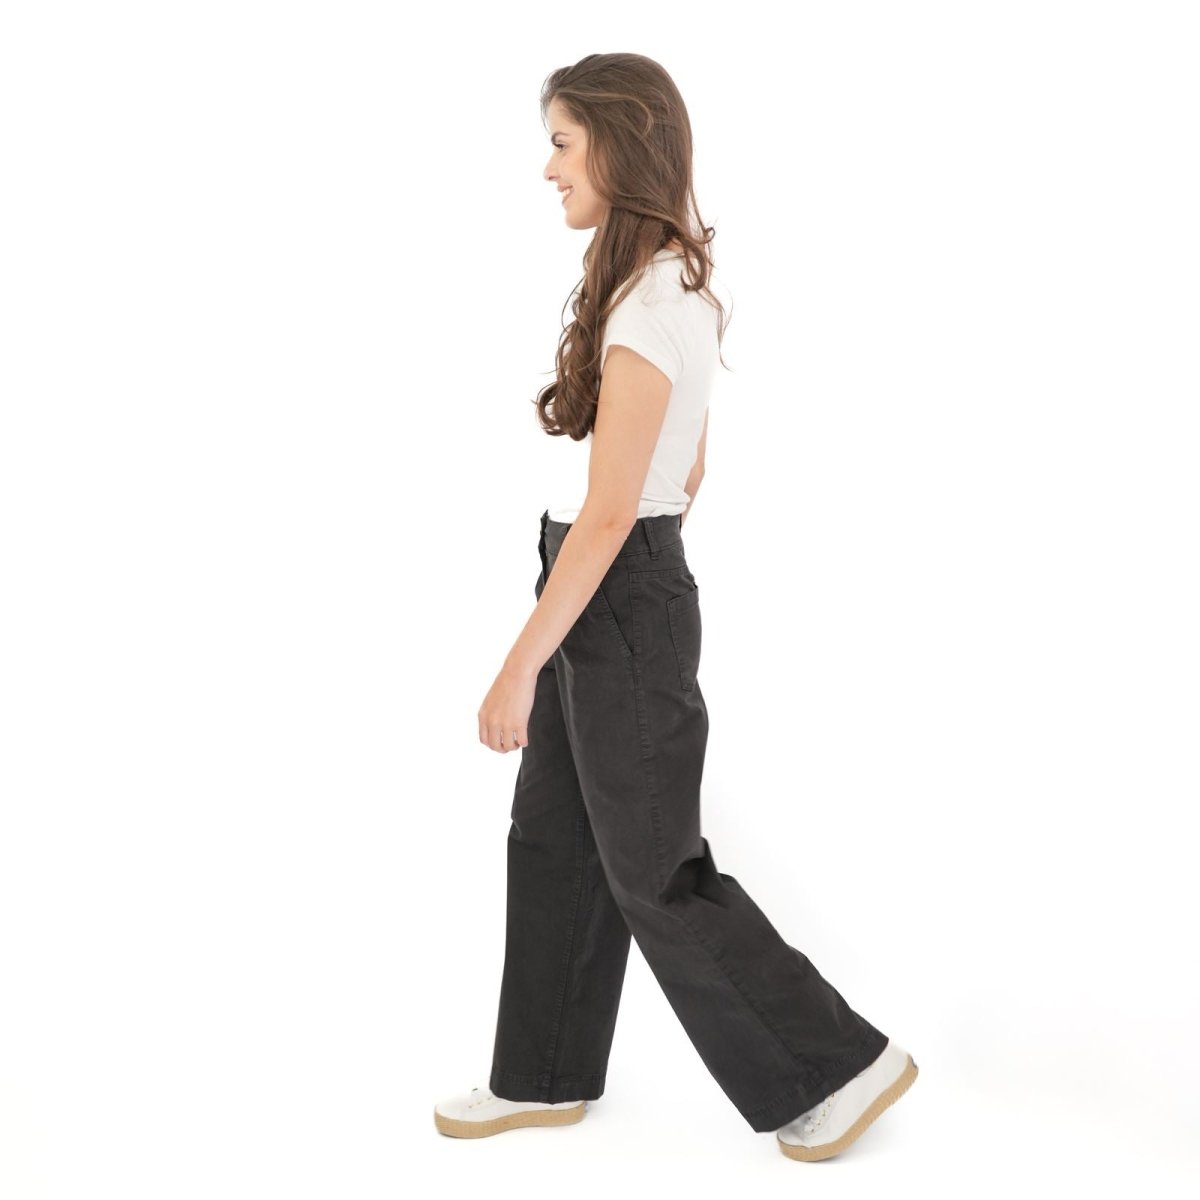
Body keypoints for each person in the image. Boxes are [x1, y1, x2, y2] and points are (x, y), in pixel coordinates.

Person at [433, 53, 917, 1161]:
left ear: (618, 144)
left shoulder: (651, 303)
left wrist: (520, 666)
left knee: (655, 869)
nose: (548, 168)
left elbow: (615, 513)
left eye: (562, 143)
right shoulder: (662, 287)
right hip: (610, 588)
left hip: (608, 587)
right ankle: (540, 1077)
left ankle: (840, 1067)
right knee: (554, 841)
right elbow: (687, 472)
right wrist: (627, 580)